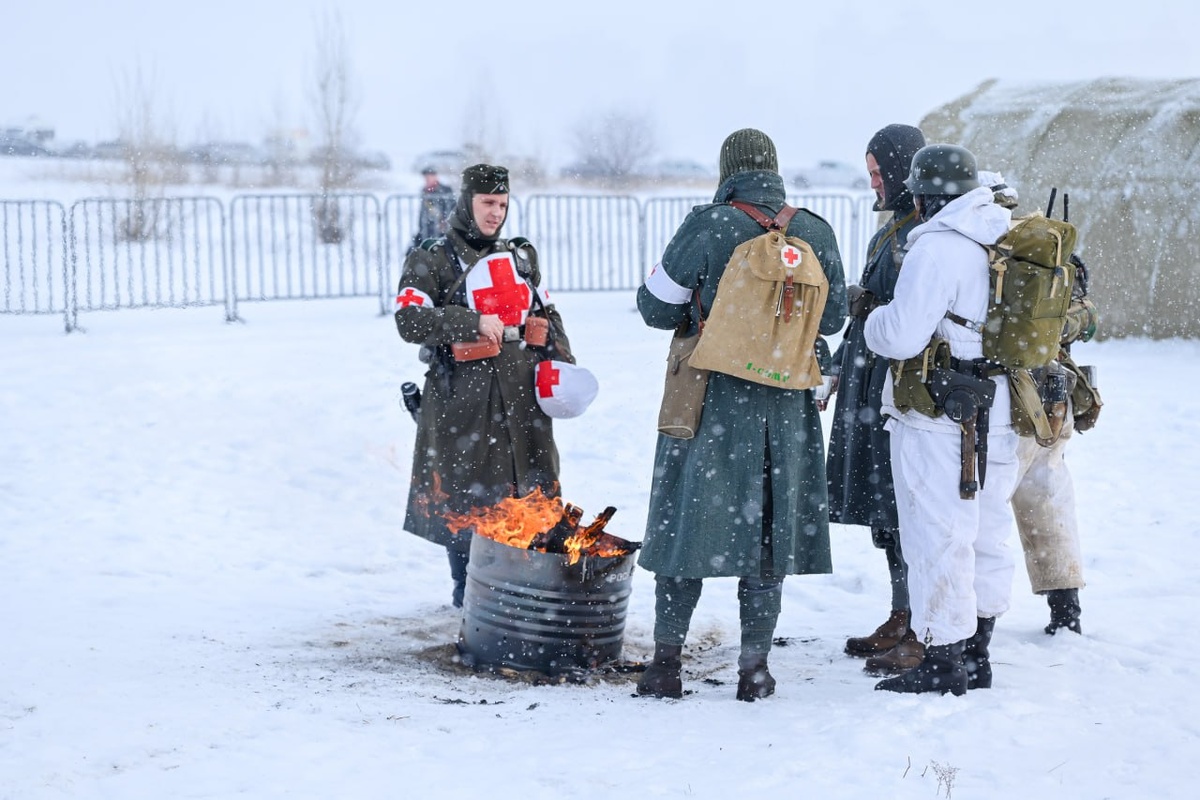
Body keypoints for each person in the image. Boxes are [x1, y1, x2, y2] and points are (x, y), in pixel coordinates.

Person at [634, 128, 848, 701]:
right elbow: (833, 321)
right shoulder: (814, 231)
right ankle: (754, 669)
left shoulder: (707, 224)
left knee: (686, 523)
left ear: (727, 170)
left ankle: (665, 666)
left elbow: (655, 308)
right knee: (769, 534)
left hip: (710, 398)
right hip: (785, 403)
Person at [863, 144, 1019, 695]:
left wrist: (872, 320)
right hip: (1000, 406)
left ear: (925, 195)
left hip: (938, 411)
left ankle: (943, 659)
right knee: (989, 531)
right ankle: (978, 653)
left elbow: (900, 335)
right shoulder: (1003, 232)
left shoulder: (936, 248)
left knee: (936, 532)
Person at [393, 163, 576, 608]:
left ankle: (525, 587)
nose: (496, 213)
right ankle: (468, 591)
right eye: (487, 203)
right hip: (463, 397)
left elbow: (547, 314)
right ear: (467, 203)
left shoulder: (519, 257)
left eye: (502, 204)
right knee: (467, 494)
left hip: (522, 394)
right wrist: (470, 321)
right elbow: (409, 319)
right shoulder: (432, 257)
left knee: (528, 489)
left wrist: (564, 365)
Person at [824, 124, 927, 677]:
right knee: (883, 511)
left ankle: (920, 622)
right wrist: (839, 368)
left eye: (877, 174)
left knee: (906, 507)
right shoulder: (889, 233)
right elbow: (866, 307)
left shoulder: (925, 235)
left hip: (898, 389)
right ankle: (901, 610)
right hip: (866, 381)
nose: (873, 185)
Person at [981, 170, 1096, 636]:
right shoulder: (1051, 254)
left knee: (983, 516)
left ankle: (976, 628)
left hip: (1009, 399)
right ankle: (1066, 610)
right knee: (1048, 499)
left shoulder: (991, 259)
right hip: (1055, 392)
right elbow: (1086, 318)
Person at [411, 166, 457, 250]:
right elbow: (422, 213)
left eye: (429, 176)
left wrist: (445, 222)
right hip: (427, 229)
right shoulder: (424, 191)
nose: (427, 179)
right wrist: (421, 228)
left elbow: (452, 208)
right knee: (414, 250)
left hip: (442, 229)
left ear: (435, 176)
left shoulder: (446, 190)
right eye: (426, 177)